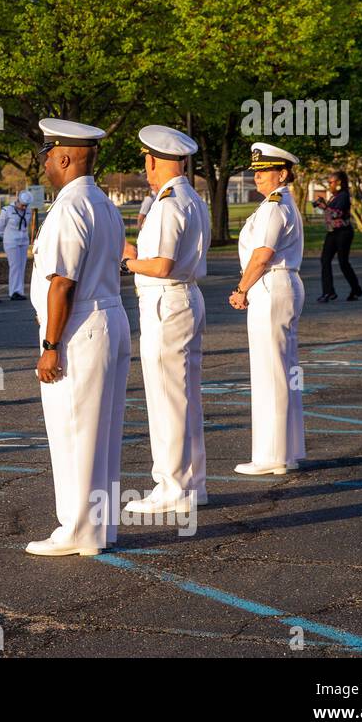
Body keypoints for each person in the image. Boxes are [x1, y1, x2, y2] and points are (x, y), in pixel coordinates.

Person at [27, 118, 130, 557]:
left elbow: (61, 283)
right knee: (100, 431)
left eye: (48, 154)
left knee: (73, 429)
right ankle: (99, 527)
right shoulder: (103, 203)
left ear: (65, 157)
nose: (45, 162)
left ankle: (77, 529)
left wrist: (50, 347)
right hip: (109, 318)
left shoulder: (70, 207)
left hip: (79, 327)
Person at [120, 125, 210, 514]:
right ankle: (192, 484)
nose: (145, 165)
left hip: (167, 302)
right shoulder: (189, 198)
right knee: (184, 398)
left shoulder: (169, 203)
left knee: (167, 400)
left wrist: (125, 260)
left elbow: (160, 264)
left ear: (153, 159)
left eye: (145, 158)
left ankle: (172, 487)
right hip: (182, 299)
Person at [229, 143, 306, 476]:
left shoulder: (275, 206)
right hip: (279, 284)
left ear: (282, 173)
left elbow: (262, 254)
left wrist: (241, 289)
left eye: (263, 171)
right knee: (281, 370)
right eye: (255, 172)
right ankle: (285, 452)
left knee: (270, 372)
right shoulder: (277, 203)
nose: (256, 177)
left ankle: (271, 456)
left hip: (271, 285)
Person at [313, 170, 362, 303]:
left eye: (331, 182)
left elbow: (337, 214)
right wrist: (323, 205)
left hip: (343, 232)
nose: (329, 185)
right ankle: (329, 292)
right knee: (325, 260)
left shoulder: (344, 196)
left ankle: (356, 289)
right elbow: (329, 211)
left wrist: (325, 207)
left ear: (339, 182)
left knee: (343, 262)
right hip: (332, 232)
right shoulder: (334, 196)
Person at [0, 191, 33, 301]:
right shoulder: (7, 210)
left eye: (26, 206)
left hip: (23, 241)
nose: (24, 208)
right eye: (22, 205)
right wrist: (4, 237)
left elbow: (26, 226)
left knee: (21, 266)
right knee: (15, 266)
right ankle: (14, 292)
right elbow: (0, 227)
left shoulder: (28, 211)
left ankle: (20, 291)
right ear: (17, 201)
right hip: (11, 241)